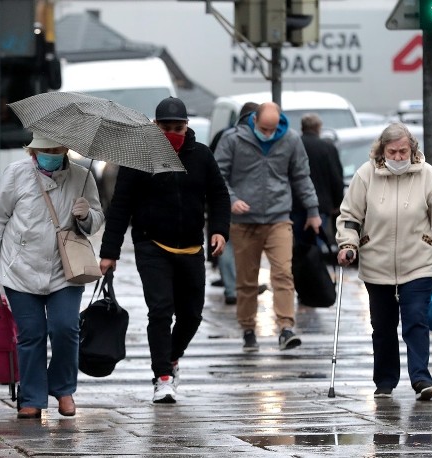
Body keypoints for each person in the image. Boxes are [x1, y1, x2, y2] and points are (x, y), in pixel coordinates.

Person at [99, 97, 230, 404]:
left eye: (178, 127)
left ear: (187, 127)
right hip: (151, 245)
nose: (173, 132)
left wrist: (220, 231)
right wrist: (110, 253)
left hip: (191, 246)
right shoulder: (139, 158)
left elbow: (219, 196)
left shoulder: (202, 156)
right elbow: (120, 208)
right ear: (155, 127)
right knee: (160, 311)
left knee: (192, 315)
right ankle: (163, 377)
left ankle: (170, 357)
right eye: (166, 127)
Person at [335, 122, 432, 401]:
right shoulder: (366, 175)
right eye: (392, 151)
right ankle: (385, 381)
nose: (397, 157)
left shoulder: (428, 176)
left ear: (412, 150)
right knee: (382, 327)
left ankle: (421, 378)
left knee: (415, 321)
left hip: (417, 262)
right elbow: (350, 216)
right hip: (376, 265)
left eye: (403, 151)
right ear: (382, 151)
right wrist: (348, 243)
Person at [0, 132, 104, 419]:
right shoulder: (16, 173)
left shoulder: (82, 177)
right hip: (20, 269)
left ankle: (63, 389)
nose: (49, 154)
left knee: (65, 328)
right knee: (31, 334)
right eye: (43, 149)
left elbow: (96, 219)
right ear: (32, 150)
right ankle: (31, 397)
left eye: (56, 148)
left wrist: (86, 215)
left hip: (65, 269)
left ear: (66, 149)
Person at [215, 101, 322, 353]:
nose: (268, 134)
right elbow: (218, 174)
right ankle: (248, 328)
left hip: (278, 217)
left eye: (272, 129)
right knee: (247, 279)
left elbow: (301, 176)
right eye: (263, 129)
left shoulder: (291, 140)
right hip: (244, 222)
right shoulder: (233, 139)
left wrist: (313, 211)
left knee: (283, 273)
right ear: (254, 120)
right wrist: (232, 200)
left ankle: (286, 328)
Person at [210, 101, 267, 305]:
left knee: (230, 245)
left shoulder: (223, 135)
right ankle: (237, 286)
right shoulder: (244, 138)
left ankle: (234, 286)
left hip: (226, 199)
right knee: (240, 245)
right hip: (237, 200)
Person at [291, 113, 344, 245]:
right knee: (317, 243)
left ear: (302, 127)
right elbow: (336, 176)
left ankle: (299, 265)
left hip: (295, 203)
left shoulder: (294, 145)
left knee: (298, 244)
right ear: (319, 128)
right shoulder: (327, 147)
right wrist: (338, 203)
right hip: (321, 204)